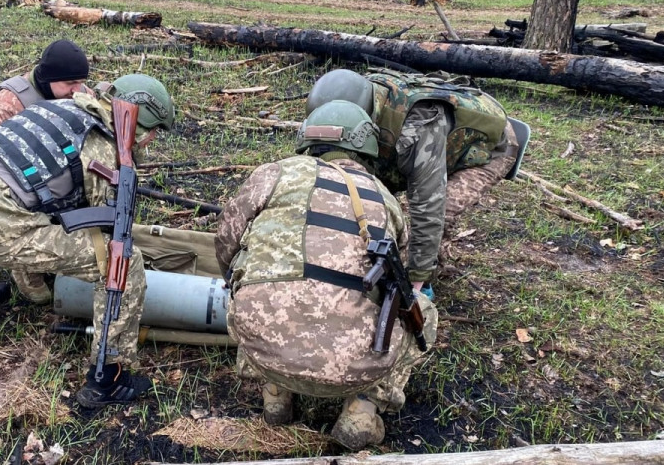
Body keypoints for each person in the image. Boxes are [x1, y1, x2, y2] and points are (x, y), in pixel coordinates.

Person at [0, 76, 175, 408]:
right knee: (122, 265)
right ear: (140, 122)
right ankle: (108, 378)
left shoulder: (64, 107)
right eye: (155, 129)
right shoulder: (101, 146)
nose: (153, 138)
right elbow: (104, 224)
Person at [216, 100, 437, 450]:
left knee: (250, 282)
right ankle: (362, 412)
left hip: (263, 349)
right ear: (365, 147)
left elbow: (226, 242)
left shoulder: (274, 174)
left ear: (308, 138)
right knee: (424, 311)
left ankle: (275, 395)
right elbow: (400, 285)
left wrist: (242, 275)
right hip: (356, 367)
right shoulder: (387, 202)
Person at [307, 68, 520, 297]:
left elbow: (429, 206)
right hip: (414, 139)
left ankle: (426, 275)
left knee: (442, 209)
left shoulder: (419, 127)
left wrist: (414, 286)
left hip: (485, 149)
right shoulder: (342, 102)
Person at [0, 39, 92, 134]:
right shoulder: (5, 107)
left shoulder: (83, 94)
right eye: (70, 83)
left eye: (81, 82)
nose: (76, 90)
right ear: (49, 78)